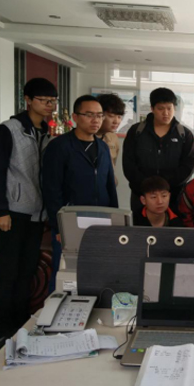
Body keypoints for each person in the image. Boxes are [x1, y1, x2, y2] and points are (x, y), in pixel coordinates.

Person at [0, 77, 57, 340]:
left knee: (27, 271)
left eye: (52, 101)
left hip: (36, 214)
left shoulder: (46, 132)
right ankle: (5, 328)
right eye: (43, 100)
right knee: (8, 272)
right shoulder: (10, 129)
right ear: (27, 100)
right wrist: (0, 210)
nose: (49, 105)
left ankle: (21, 323)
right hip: (13, 212)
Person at [42, 95, 118, 293]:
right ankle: (55, 309)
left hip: (100, 221)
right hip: (71, 221)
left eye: (99, 115)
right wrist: (59, 226)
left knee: (97, 272)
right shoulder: (59, 146)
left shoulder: (102, 147)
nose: (96, 120)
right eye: (89, 115)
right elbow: (51, 189)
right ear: (75, 117)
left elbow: (110, 185)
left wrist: (116, 222)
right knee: (65, 274)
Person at [123, 87, 194, 224]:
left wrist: (165, 188)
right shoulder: (137, 131)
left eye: (169, 108)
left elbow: (188, 166)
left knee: (173, 231)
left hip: (173, 195)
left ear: (175, 108)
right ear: (152, 108)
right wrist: (146, 188)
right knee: (140, 230)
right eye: (160, 108)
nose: (166, 113)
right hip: (141, 195)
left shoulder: (184, 134)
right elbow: (128, 163)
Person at [96, 93, 125, 184]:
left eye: (119, 117)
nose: (116, 121)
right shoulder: (86, 137)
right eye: (111, 116)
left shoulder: (113, 138)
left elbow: (112, 164)